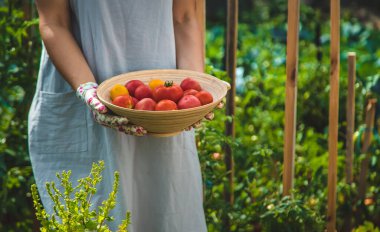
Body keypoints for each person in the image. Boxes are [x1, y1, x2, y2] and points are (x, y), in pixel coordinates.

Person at [28, 0, 209, 231]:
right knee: (92, 218)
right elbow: (55, 22)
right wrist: (88, 91)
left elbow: (184, 17)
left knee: (164, 213)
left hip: (163, 106)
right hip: (80, 92)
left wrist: (192, 95)